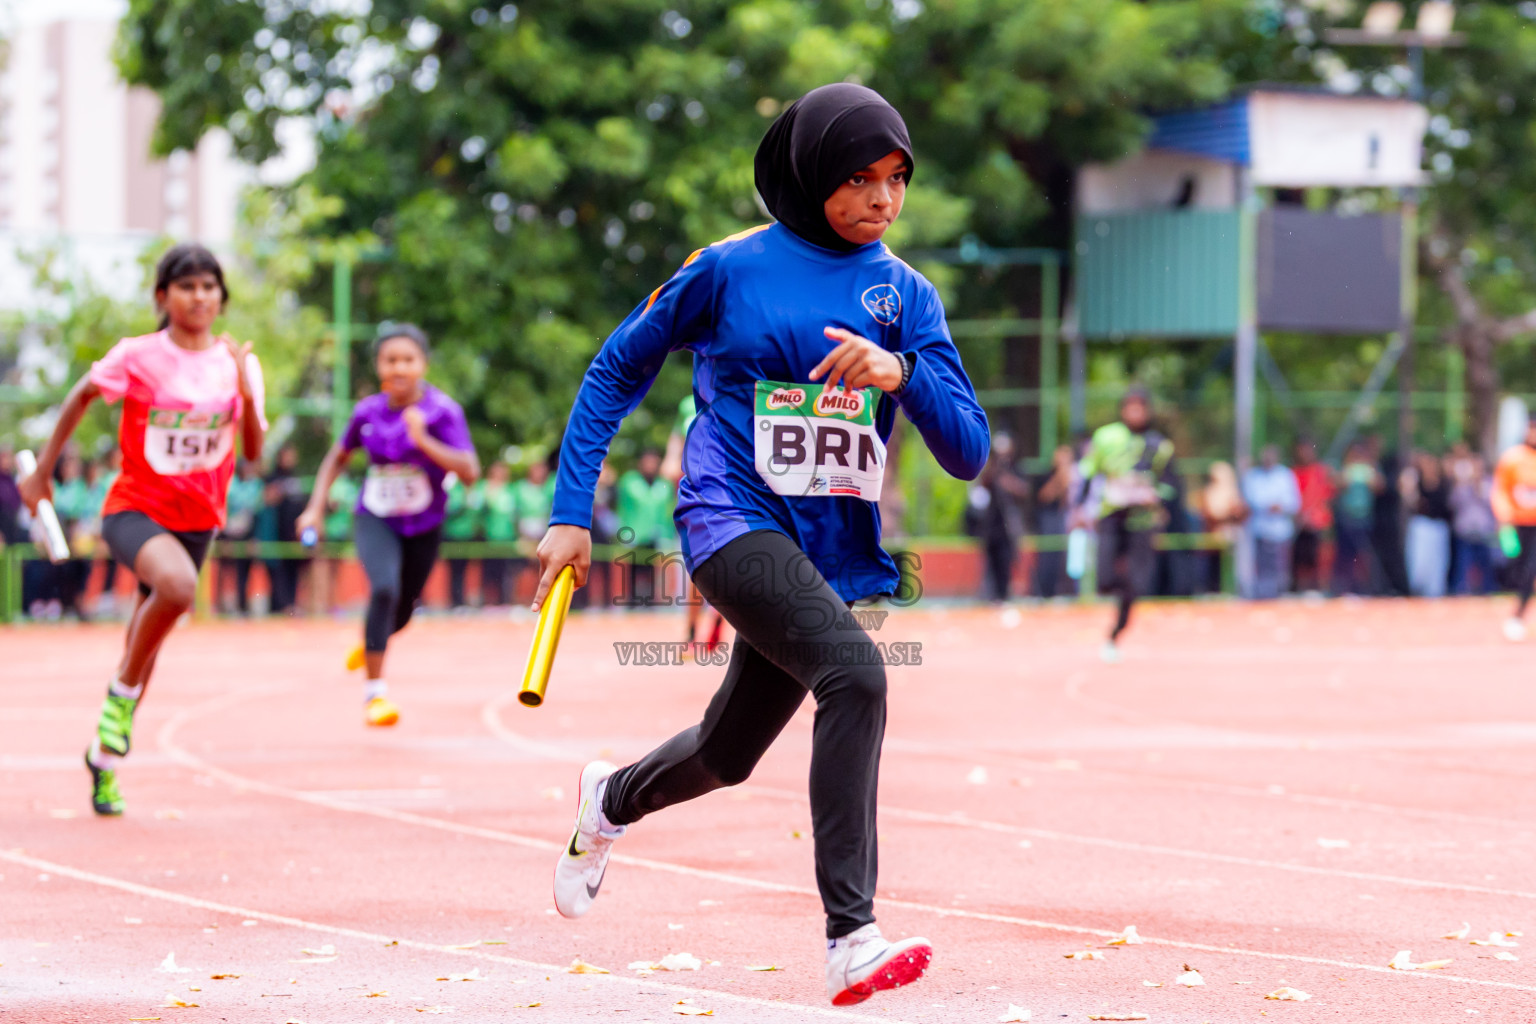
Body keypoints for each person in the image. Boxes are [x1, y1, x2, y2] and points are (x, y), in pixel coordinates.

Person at [537, 84, 987, 1007]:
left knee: (727, 751)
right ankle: (851, 936)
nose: (883, 201)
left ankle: (609, 799)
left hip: (827, 550)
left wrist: (900, 373)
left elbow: (968, 451)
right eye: (860, 179)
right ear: (812, 172)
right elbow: (616, 365)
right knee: (857, 676)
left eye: (898, 180)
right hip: (726, 517)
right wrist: (570, 510)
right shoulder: (728, 269)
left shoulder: (905, 297)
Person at [18, 243, 265, 816]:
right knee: (177, 591)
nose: (199, 296)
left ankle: (103, 762)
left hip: (199, 518)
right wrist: (44, 474)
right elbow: (81, 394)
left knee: (145, 643)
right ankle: (120, 696)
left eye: (209, 286)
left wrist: (248, 399)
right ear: (163, 296)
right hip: (135, 509)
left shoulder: (238, 362)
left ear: (221, 297)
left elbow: (252, 452)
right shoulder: (138, 356)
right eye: (186, 286)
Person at [297, 323, 479, 725]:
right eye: (390, 359)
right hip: (375, 517)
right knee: (383, 589)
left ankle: (370, 642)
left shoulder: (442, 412)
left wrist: (425, 440)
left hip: (425, 524)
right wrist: (314, 508)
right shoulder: (367, 412)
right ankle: (374, 696)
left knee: (403, 611)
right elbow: (336, 457)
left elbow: (470, 471)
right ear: (379, 365)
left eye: (408, 359)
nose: (399, 367)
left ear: (423, 364)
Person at [1075, 388, 1175, 661]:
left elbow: (1171, 486)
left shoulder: (1159, 446)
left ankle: (1116, 631)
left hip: (1141, 521)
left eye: (1140, 407)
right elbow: (1087, 472)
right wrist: (1080, 507)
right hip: (1111, 515)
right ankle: (1120, 587)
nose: (1135, 413)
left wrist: (1154, 496)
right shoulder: (1106, 437)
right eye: (1130, 407)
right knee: (1105, 578)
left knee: (1137, 583)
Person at [967, 432, 1028, 603]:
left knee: (1006, 559)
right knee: (990, 560)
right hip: (991, 523)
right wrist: (993, 469)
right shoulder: (991, 468)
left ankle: (1005, 594)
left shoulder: (1016, 468)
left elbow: (1024, 491)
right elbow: (981, 487)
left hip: (1009, 523)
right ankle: (991, 595)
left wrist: (1007, 482)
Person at [1491, 415, 1536, 641]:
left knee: (1531, 570)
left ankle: (1518, 616)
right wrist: (1504, 516)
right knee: (1517, 568)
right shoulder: (1513, 458)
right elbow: (1500, 490)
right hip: (1518, 525)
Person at [615, 447, 675, 606]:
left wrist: (666, 534)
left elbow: (667, 511)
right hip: (634, 533)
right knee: (633, 568)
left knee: (652, 568)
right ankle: (632, 600)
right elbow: (623, 508)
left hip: (655, 533)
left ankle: (650, 599)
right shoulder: (629, 481)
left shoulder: (664, 485)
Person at [1241, 444, 1300, 599]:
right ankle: (1263, 597)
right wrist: (1268, 505)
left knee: (1280, 568)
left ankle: (1279, 595)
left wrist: (1280, 506)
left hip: (1280, 531)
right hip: (1260, 529)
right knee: (1262, 568)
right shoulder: (1253, 476)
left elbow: (1294, 502)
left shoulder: (1285, 475)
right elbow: (1250, 500)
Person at [1333, 441, 1382, 595]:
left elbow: (1379, 486)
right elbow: (1338, 484)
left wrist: (1367, 470)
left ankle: (1364, 588)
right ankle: (1344, 587)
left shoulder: (1368, 469)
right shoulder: (1345, 470)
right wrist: (1349, 473)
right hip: (1347, 518)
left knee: (1364, 555)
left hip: (1364, 518)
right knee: (1345, 556)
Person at [1404, 449, 1453, 598]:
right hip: (1422, 525)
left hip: (1439, 526)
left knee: (1438, 562)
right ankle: (1418, 590)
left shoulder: (1444, 481)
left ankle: (1435, 591)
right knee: (1419, 562)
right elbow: (1409, 498)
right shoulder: (1416, 481)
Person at [1448, 448, 1497, 596]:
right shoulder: (1462, 486)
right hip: (1465, 532)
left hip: (1484, 532)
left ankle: (1487, 593)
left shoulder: (1490, 484)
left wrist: (1478, 487)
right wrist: (1464, 485)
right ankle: (1460, 594)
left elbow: (1493, 504)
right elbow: (1453, 503)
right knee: (1462, 566)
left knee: (1486, 568)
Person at [1031, 444, 1076, 599]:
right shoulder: (1045, 474)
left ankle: (1058, 590)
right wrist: (1059, 477)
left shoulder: (1073, 475)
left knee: (1061, 556)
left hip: (1063, 516)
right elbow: (1044, 496)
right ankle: (1042, 592)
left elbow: (1069, 501)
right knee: (1047, 556)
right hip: (1047, 516)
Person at [219, 458, 263, 614]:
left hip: (247, 533)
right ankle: (220, 605)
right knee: (223, 569)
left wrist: (254, 538)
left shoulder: (255, 485)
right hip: (228, 533)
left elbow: (256, 513)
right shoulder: (231, 484)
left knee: (244, 570)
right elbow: (224, 509)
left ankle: (242, 606)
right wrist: (225, 537)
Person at [1290, 439, 1333, 594]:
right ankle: (1300, 590)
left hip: (1318, 523)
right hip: (1299, 523)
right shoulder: (1293, 473)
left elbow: (1326, 498)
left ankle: (1321, 590)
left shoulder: (1321, 472)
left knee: (1320, 558)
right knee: (1299, 560)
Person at [479, 461, 517, 607]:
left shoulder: (510, 490)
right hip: (489, 537)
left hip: (506, 538)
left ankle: (503, 602)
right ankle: (486, 602)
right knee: (487, 573)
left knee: (505, 572)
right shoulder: (485, 488)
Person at [443, 470, 482, 608]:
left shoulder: (475, 490)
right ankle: (455, 602)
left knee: (464, 570)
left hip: (469, 536)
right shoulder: (453, 489)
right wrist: (464, 503)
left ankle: (460, 601)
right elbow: (448, 512)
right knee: (455, 571)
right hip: (454, 537)